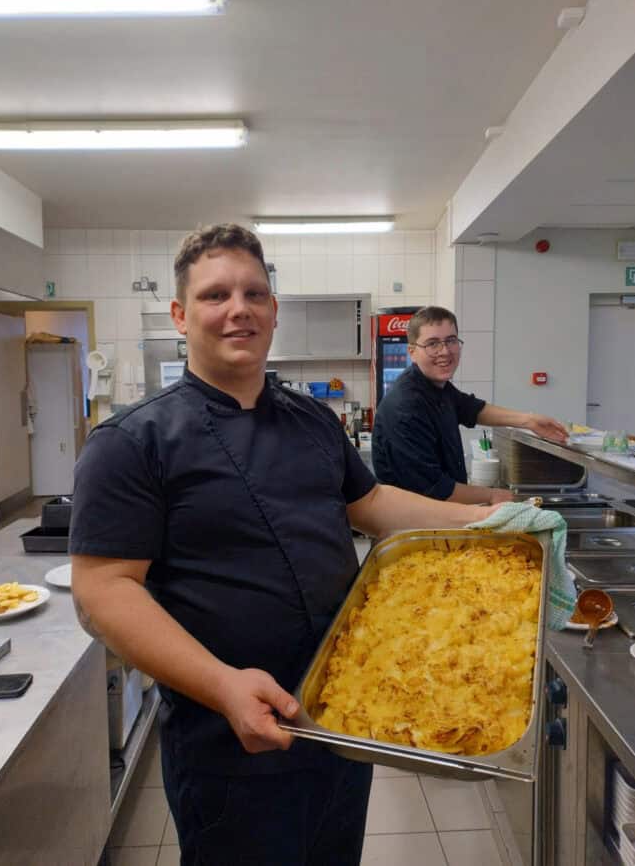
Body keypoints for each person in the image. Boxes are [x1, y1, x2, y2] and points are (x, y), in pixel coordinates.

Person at [70, 226, 503, 866]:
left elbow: (372, 504)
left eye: (254, 294)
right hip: (228, 743)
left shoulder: (313, 420)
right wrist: (223, 686)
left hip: (341, 721)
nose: (238, 309)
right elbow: (102, 589)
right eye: (215, 295)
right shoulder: (132, 442)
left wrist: (484, 521)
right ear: (181, 315)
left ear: (273, 311)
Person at [372, 305, 568, 504]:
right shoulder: (405, 408)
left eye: (451, 340)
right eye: (432, 344)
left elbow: (472, 409)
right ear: (412, 352)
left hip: (442, 513)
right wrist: (493, 495)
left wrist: (529, 420)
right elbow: (434, 489)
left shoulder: (436, 387)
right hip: (413, 520)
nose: (445, 351)